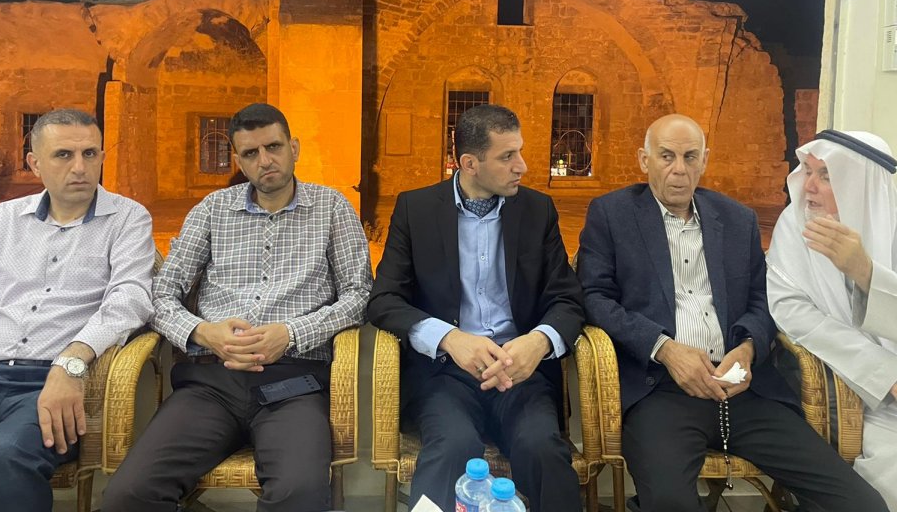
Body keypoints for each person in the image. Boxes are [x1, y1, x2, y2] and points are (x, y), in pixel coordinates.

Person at [576, 114, 887, 511]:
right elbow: (595, 297)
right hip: (662, 391)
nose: (679, 169)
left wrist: (748, 348)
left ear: (705, 160)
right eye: (667, 156)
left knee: (860, 502)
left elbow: (762, 297)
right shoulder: (612, 214)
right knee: (670, 502)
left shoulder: (737, 219)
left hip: (743, 391)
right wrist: (665, 349)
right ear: (644, 159)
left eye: (690, 157)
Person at [102, 103, 372, 512]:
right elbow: (160, 293)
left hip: (294, 383)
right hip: (210, 383)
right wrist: (203, 332)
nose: (265, 160)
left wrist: (292, 334)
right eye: (250, 153)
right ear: (238, 160)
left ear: (294, 148)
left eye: (273, 147)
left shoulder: (332, 208)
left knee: (300, 494)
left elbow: (360, 294)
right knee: (129, 495)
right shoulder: (213, 210)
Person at [368, 104, 584, 511]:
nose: (522, 166)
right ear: (469, 163)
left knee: (541, 447)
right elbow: (384, 300)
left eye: (520, 151)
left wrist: (538, 343)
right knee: (452, 446)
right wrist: (449, 339)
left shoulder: (537, 210)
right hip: (444, 374)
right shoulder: (416, 210)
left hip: (520, 372)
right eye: (507, 156)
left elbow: (568, 298)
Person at [0, 109, 155, 512]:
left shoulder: (127, 218)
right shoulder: (4, 219)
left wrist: (70, 362)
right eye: (63, 155)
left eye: (90, 153)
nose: (80, 167)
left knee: (5, 457)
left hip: (53, 386)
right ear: (34, 163)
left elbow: (130, 299)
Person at [767, 130, 897, 509]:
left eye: (825, 175)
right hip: (856, 398)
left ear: (859, 185)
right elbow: (793, 313)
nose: (809, 186)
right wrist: (886, 375)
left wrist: (865, 272)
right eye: (807, 171)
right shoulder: (795, 227)